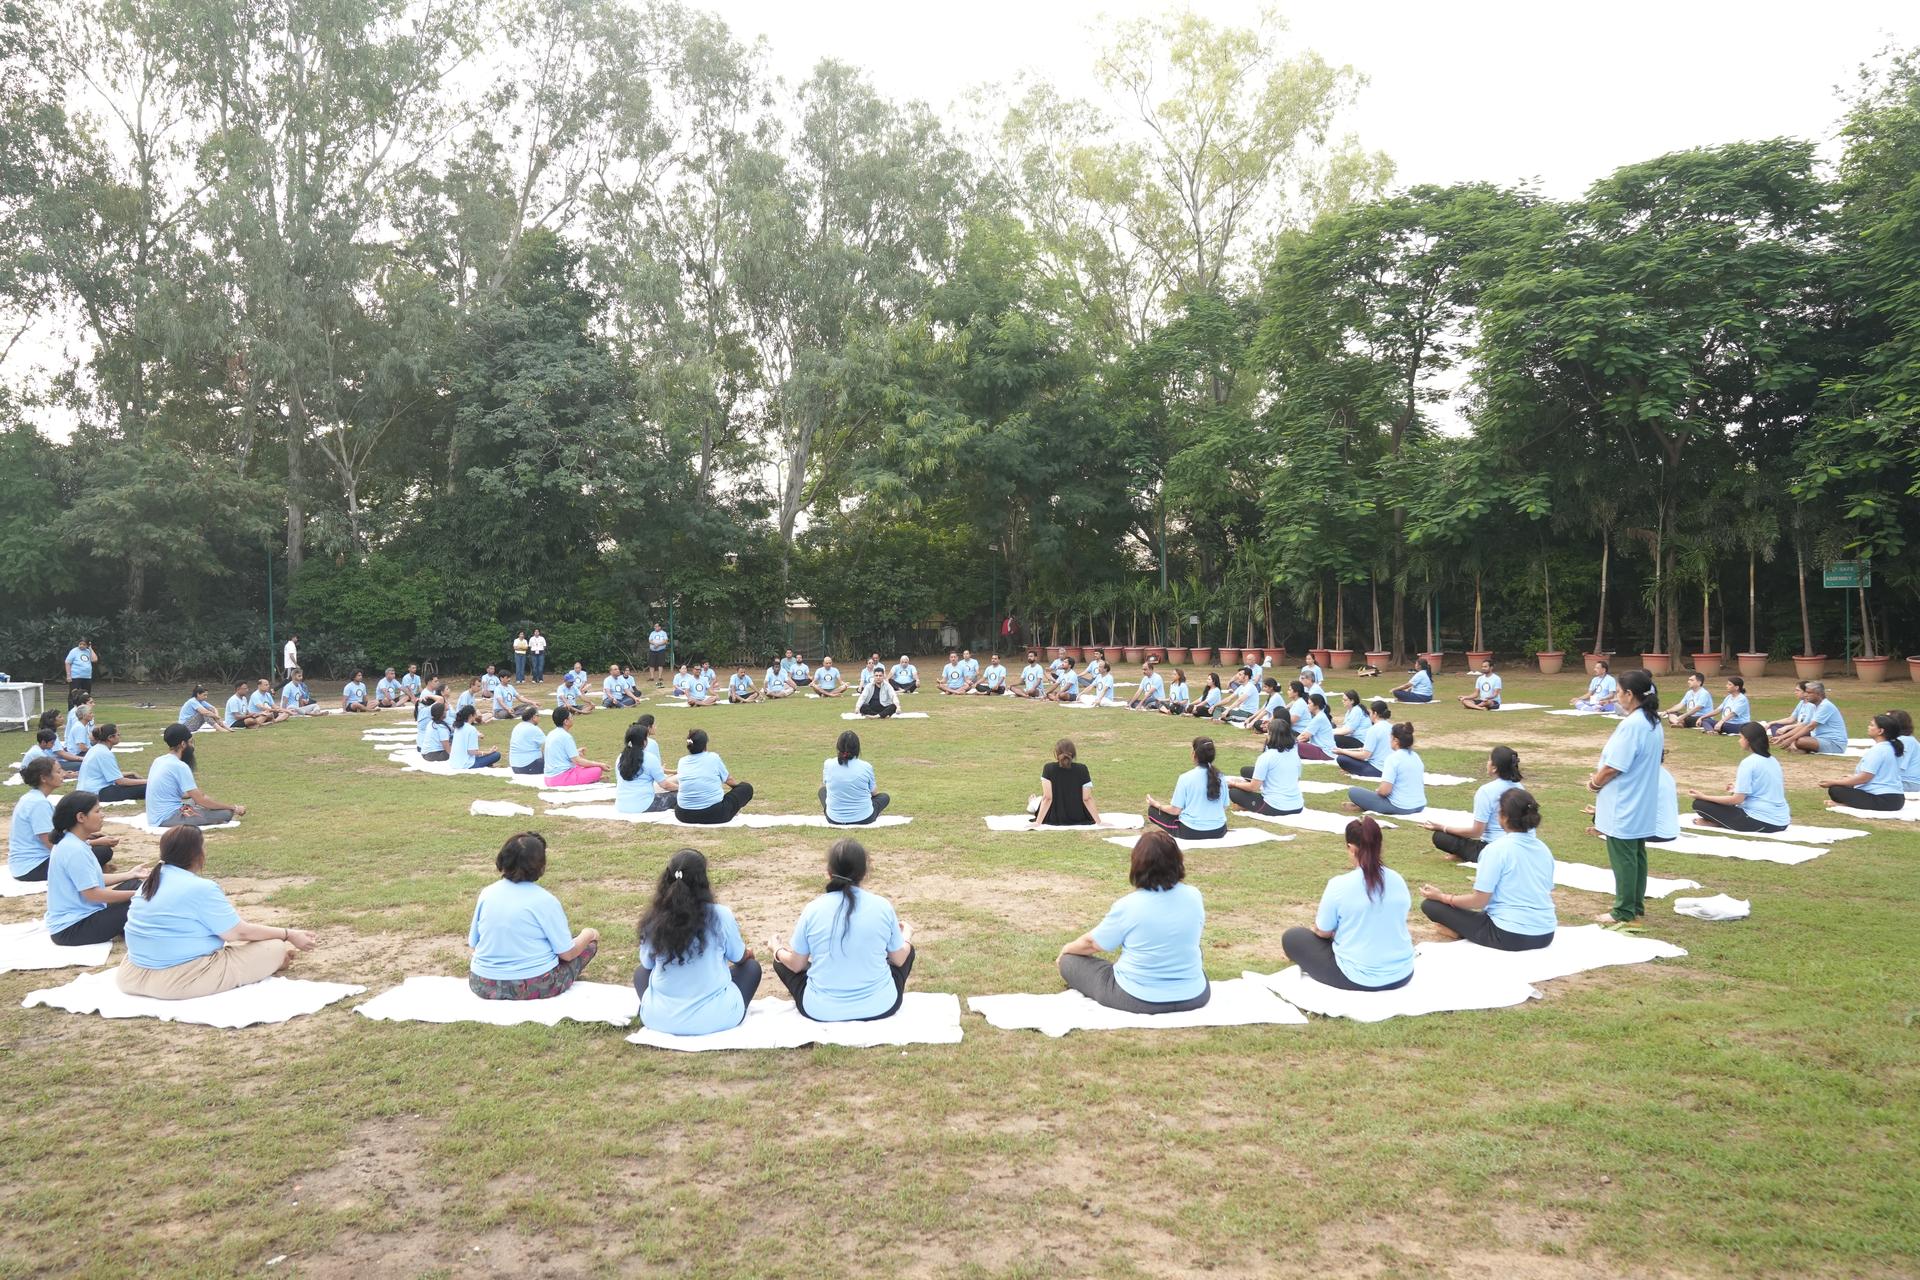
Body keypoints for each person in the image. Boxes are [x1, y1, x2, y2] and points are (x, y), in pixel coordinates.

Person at [116, 826, 317, 998]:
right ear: (198, 855)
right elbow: (238, 933)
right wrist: (288, 934)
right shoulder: (200, 888)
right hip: (180, 980)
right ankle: (271, 963)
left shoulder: (150, 882)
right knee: (274, 947)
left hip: (131, 976)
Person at [1054, 828, 1210, 1014]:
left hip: (1137, 997)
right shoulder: (1194, 896)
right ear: (1178, 861)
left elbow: (1092, 944)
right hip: (1194, 996)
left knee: (1069, 961)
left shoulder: (1128, 906)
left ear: (1137, 864)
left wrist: (1065, 951)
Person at [767, 838, 915, 1022]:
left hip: (821, 1009)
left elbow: (796, 964)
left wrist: (777, 950)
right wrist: (906, 936)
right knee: (906, 950)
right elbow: (899, 959)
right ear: (865, 871)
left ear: (829, 872)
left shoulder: (813, 909)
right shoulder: (882, 906)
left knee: (781, 962)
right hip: (880, 1005)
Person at [632, 848, 759, 1033]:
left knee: (640, 973)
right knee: (751, 968)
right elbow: (739, 957)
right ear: (703, 880)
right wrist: (748, 954)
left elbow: (647, 963)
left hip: (659, 1019)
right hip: (716, 1018)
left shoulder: (654, 919)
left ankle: (661, 1009)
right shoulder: (720, 915)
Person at [1280, 817, 1415, 992]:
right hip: (1402, 974)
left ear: (1351, 848)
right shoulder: (1397, 879)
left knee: (1293, 937)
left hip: (1357, 977)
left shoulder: (1339, 885)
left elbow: (1322, 931)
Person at [1419, 789, 1558, 951]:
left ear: (1504, 817)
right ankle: (1463, 930)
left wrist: (1443, 897)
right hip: (1546, 934)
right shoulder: (1543, 849)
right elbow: (1546, 890)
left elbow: (1479, 901)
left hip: (1508, 934)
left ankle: (1461, 933)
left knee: (1431, 905)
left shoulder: (1496, 850)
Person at [467, 832, 598, 999]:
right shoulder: (545, 901)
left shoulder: (487, 893)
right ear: (541, 865)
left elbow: (474, 944)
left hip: (483, 983)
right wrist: (589, 934)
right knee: (587, 944)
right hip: (534, 984)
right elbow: (567, 954)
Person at [1587, 669, 1667, 925]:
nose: (1617, 697)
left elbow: (1614, 766)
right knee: (1635, 855)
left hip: (1625, 800)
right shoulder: (1650, 721)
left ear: (1630, 695)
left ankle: (1624, 910)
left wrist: (1594, 782)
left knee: (1624, 857)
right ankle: (1634, 905)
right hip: (1639, 798)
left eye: (1620, 692)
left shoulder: (1632, 725)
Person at [45, 791, 146, 945]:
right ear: (80, 817)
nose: (102, 815)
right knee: (141, 901)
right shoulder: (74, 849)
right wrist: (137, 895)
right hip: (72, 929)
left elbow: (92, 880)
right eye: (97, 811)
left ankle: (129, 927)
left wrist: (130, 875)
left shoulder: (75, 842)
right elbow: (93, 894)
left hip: (86, 915)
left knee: (136, 886)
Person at [1687, 724, 1791, 832]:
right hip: (1782, 821)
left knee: (1699, 804)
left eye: (1741, 737)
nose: (1739, 741)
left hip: (1760, 821)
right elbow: (1763, 785)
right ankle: (1719, 822)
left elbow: (1736, 800)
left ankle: (1717, 823)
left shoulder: (1748, 763)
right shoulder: (1773, 760)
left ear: (1748, 740)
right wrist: (1737, 787)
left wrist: (1704, 797)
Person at [1427, 746, 1524, 862]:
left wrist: (1443, 828)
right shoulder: (1521, 788)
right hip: (1519, 847)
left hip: (1493, 848)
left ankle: (1464, 854)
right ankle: (1463, 853)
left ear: (1494, 768)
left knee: (1440, 837)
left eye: (1489, 760)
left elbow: (1476, 832)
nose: (1487, 763)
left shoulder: (1486, 791)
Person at [148, 723, 245, 828]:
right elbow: (201, 801)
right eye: (190, 742)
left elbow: (176, 793)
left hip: (156, 816)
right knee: (225, 813)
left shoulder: (158, 760)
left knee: (197, 799)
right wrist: (233, 808)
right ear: (183, 744)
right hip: (169, 817)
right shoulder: (180, 766)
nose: (192, 746)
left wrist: (197, 795)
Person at [1817, 714, 1908, 812]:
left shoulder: (1879, 750)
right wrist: (1850, 779)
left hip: (1883, 799)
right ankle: (1847, 802)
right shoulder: (1892, 748)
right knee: (1845, 783)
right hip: (1897, 799)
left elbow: (1864, 778)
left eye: (1872, 725)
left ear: (1880, 731)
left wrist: (1834, 782)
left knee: (1835, 789)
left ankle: (1846, 804)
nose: (1868, 727)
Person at [1145, 738, 1229, 840]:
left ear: (1194, 754)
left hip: (1190, 831)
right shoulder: (1221, 777)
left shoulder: (1185, 778)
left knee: (1153, 811)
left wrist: (1157, 805)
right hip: (1219, 830)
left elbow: (1175, 810)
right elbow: (1224, 806)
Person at [1346, 722, 1427, 816]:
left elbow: (1384, 791)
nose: (1389, 741)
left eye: (1390, 738)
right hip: (1420, 804)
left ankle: (1364, 805)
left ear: (1395, 740)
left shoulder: (1393, 758)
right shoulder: (1415, 756)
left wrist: (1378, 791)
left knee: (1354, 791)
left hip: (1401, 806)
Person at [674, 729, 754, 824]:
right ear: (705, 745)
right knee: (746, 788)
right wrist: (738, 789)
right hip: (714, 814)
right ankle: (734, 810)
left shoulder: (682, 761)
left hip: (683, 814)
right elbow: (729, 780)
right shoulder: (713, 758)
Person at [1228, 721, 1304, 817]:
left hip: (1276, 807)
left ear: (1271, 735)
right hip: (1297, 806)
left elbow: (1253, 788)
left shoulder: (1266, 757)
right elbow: (1296, 780)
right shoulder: (1294, 755)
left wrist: (1235, 784)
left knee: (1234, 792)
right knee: (1246, 771)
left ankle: (1248, 806)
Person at [9, 759, 67, 880]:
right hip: (33, 866)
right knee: (99, 852)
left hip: (26, 864)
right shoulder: (38, 803)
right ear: (44, 778)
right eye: (58, 771)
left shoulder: (33, 798)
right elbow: (50, 842)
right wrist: (89, 845)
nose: (63, 774)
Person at [821, 731, 889, 825]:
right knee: (884, 797)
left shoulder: (828, 764)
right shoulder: (866, 766)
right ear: (857, 748)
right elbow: (874, 793)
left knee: (822, 791)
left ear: (838, 747)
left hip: (834, 818)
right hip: (864, 818)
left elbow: (827, 786)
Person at [1033, 738, 1102, 826]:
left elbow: (1047, 798)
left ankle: (1033, 802)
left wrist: (1038, 822)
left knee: (1037, 801)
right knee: (1037, 800)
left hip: (1053, 817)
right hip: (1079, 816)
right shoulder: (1082, 769)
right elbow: (1087, 798)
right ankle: (1033, 801)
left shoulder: (1048, 768)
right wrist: (1099, 822)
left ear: (1056, 753)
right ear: (1073, 753)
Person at [615, 719, 677, 813]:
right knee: (682, 794)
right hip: (643, 805)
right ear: (644, 741)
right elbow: (665, 785)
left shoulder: (620, 757)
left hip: (621, 805)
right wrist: (682, 788)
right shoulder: (650, 758)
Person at [1771, 681, 1847, 755]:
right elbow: (1803, 726)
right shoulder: (1815, 706)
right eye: (1806, 692)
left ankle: (1798, 747)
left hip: (1835, 744)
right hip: (1820, 739)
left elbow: (1810, 727)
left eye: (1809, 693)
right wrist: (1782, 737)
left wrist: (1790, 739)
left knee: (1800, 741)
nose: (1806, 695)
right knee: (1797, 737)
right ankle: (1799, 748)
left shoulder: (1825, 706)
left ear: (1819, 694)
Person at [79, 723, 146, 801]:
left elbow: (108, 775)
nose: (119, 736)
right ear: (110, 737)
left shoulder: (96, 749)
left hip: (88, 790)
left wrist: (130, 773)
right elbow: (121, 781)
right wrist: (147, 781)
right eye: (118, 734)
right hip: (98, 792)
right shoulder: (104, 753)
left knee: (132, 777)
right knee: (148, 787)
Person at [543, 706, 606, 788]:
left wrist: (576, 751)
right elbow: (578, 761)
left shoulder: (552, 733)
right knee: (597, 770)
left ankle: (589, 778)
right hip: (560, 778)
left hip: (548, 778)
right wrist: (600, 764)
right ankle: (591, 779)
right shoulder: (565, 736)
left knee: (584, 767)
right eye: (571, 717)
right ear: (566, 721)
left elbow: (559, 752)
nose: (573, 719)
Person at [450, 706, 501, 770]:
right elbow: (472, 752)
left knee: (487, 756)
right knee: (496, 755)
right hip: (466, 764)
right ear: (471, 715)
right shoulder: (471, 729)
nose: (476, 716)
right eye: (475, 714)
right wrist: (489, 752)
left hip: (454, 762)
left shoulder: (458, 727)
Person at [1296, 693, 1338, 761]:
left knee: (1294, 746)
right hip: (1325, 750)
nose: (1307, 706)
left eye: (1309, 703)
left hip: (1325, 752)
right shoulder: (1320, 716)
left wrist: (1294, 741)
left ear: (1316, 705)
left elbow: (1304, 736)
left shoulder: (1319, 718)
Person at [507, 706, 547, 776]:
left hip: (515, 767)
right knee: (558, 761)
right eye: (538, 716)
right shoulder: (533, 729)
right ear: (533, 717)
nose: (539, 718)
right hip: (528, 766)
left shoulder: (517, 726)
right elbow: (549, 744)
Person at [1891, 709, 1920, 793]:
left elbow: (1899, 766)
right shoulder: (1905, 740)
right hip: (1905, 781)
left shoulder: (1905, 741)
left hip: (1908, 783)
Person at [64, 636, 98, 705]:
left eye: (84, 644)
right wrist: (68, 675)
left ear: (87, 645)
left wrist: (90, 648)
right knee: (73, 694)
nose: (81, 646)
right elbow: (67, 662)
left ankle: (85, 711)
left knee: (86, 695)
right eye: (80, 644)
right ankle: (71, 711)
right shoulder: (74, 651)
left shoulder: (88, 651)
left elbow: (94, 660)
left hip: (87, 677)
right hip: (76, 676)